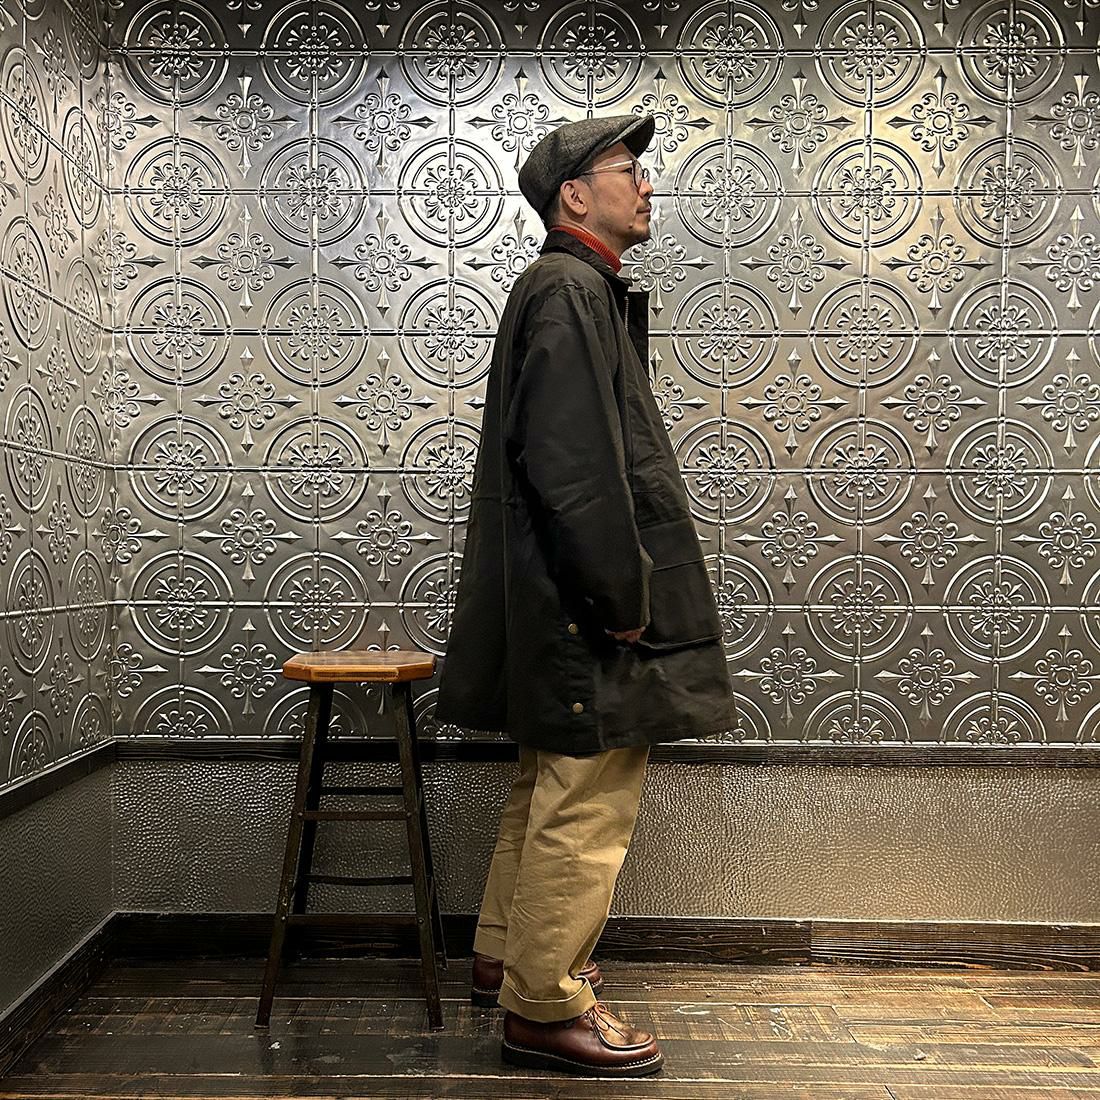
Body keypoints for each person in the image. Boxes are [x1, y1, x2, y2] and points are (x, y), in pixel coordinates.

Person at [436, 114, 734, 1077]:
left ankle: (504, 957)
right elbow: (573, 468)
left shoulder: (571, 288)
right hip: (584, 605)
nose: (645, 185)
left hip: (556, 600)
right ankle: (542, 1003)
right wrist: (620, 598)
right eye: (628, 169)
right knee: (587, 799)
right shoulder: (570, 290)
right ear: (575, 194)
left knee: (548, 782)